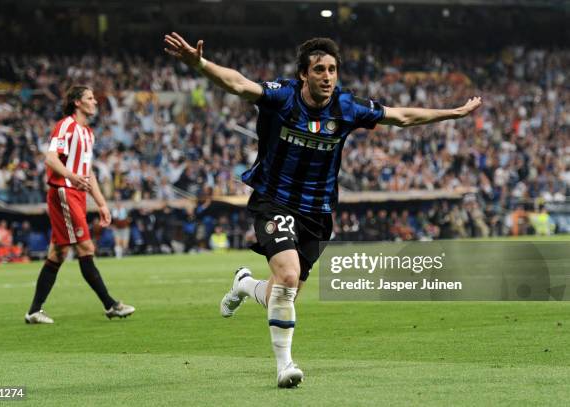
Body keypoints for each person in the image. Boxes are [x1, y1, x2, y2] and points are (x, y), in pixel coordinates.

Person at [164, 32, 482, 387]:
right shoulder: (282, 97)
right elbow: (239, 84)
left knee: (279, 294)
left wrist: (453, 113)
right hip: (275, 200)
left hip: (318, 213)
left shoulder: (347, 108)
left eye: (332, 69)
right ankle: (285, 366)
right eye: (319, 69)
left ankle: (242, 284)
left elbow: (402, 116)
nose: (327, 76)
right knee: (286, 278)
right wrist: (200, 64)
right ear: (304, 74)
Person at [25, 85, 135, 324]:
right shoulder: (66, 126)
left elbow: (88, 173)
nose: (95, 101)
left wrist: (102, 204)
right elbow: (51, 157)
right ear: (77, 102)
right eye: (90, 98)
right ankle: (110, 305)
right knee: (85, 248)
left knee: (59, 252)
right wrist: (71, 176)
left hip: (76, 194)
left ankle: (34, 311)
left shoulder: (88, 133)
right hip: (64, 192)